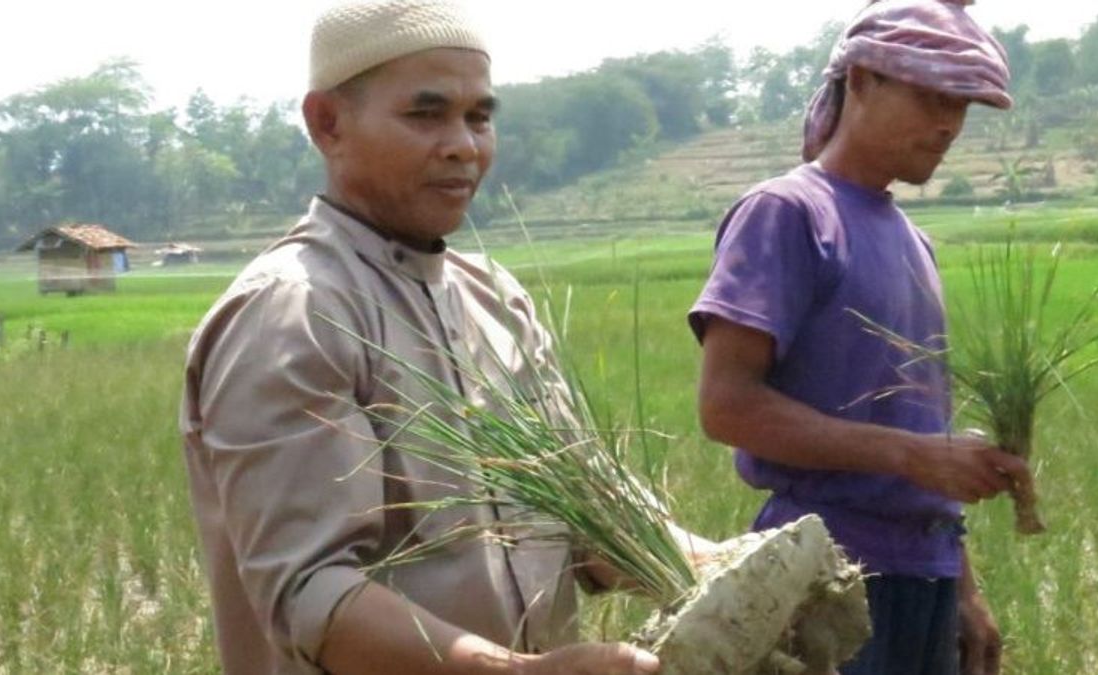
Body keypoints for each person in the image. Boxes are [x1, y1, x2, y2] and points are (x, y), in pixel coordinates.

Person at [180, 2, 706, 674]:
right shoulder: (294, 310)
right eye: (426, 115)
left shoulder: (496, 298)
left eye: (479, 117)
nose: (464, 145)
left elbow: (587, 507)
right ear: (328, 123)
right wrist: (518, 672)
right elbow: (311, 592)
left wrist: (716, 567)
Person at [688, 2, 1033, 675]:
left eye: (963, 105)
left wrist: (962, 584)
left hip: (924, 578)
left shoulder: (914, 241)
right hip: (824, 580)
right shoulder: (789, 213)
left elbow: (918, 428)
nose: (950, 124)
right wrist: (912, 455)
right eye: (935, 97)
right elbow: (725, 404)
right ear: (866, 79)